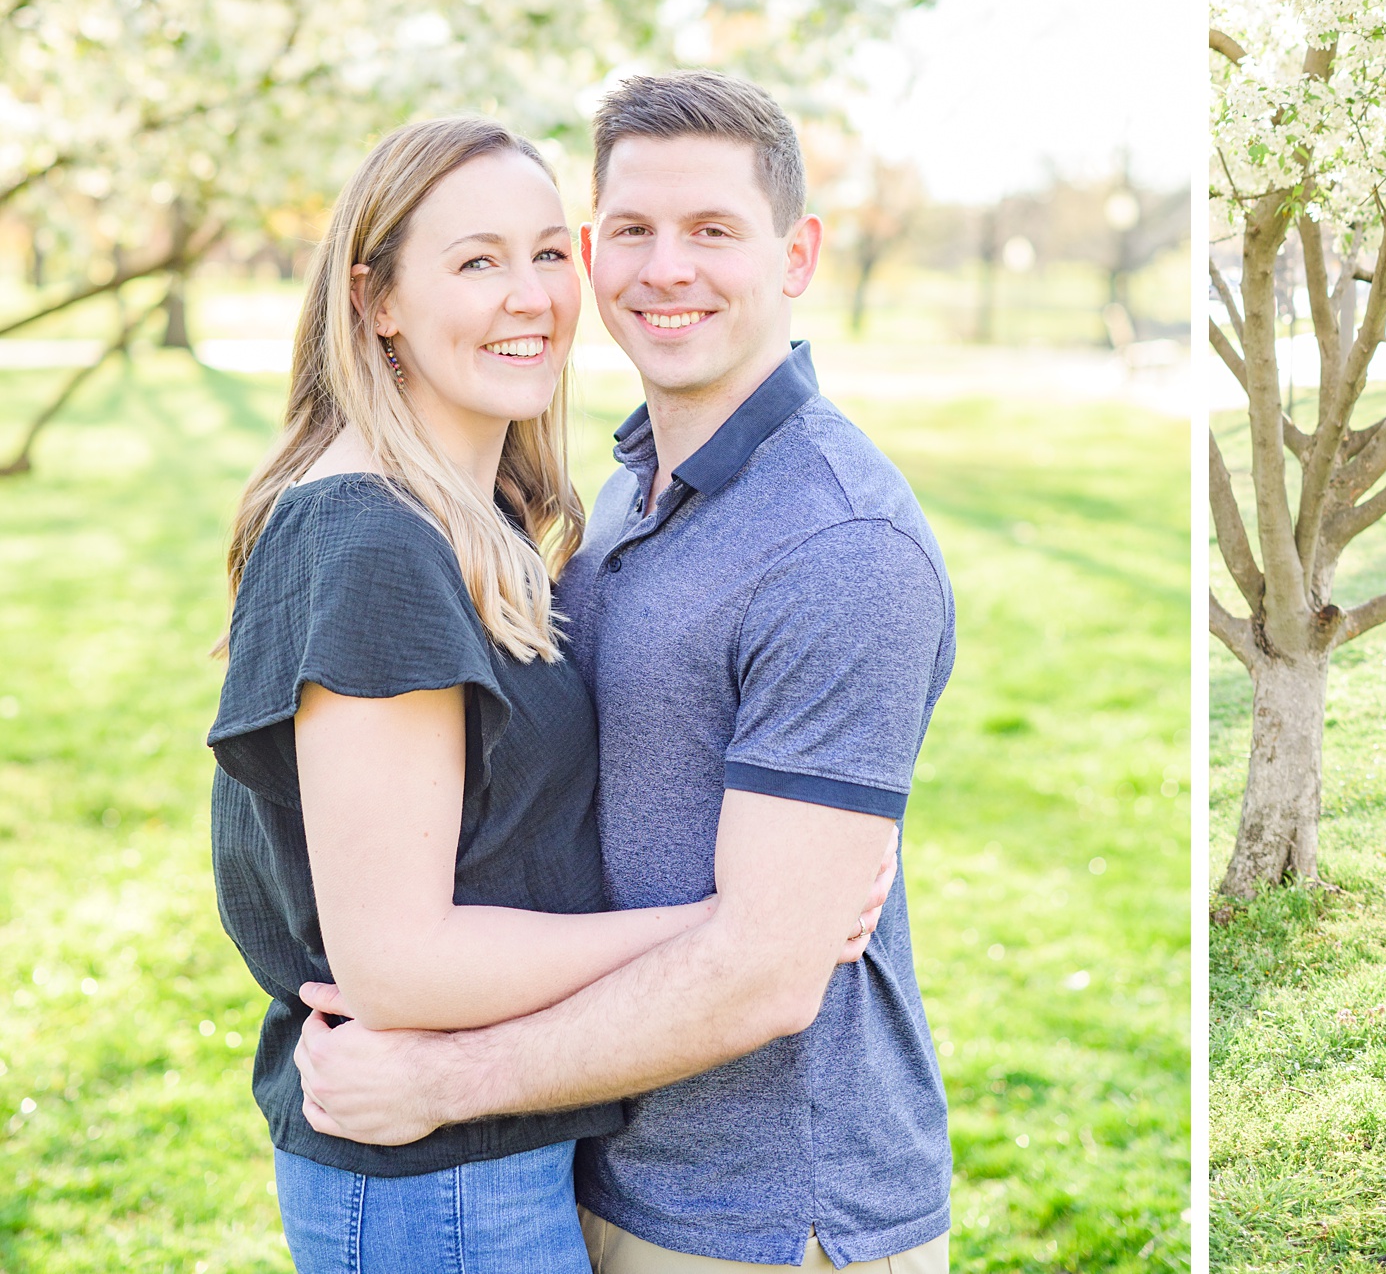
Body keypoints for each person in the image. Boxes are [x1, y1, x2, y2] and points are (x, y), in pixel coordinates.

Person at [290, 72, 957, 1274]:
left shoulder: (841, 542)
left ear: (796, 253)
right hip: (589, 1164)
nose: (667, 269)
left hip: (763, 1213)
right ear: (594, 255)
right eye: (631, 232)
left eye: (713, 230)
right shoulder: (623, 492)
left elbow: (765, 976)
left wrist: (445, 1078)